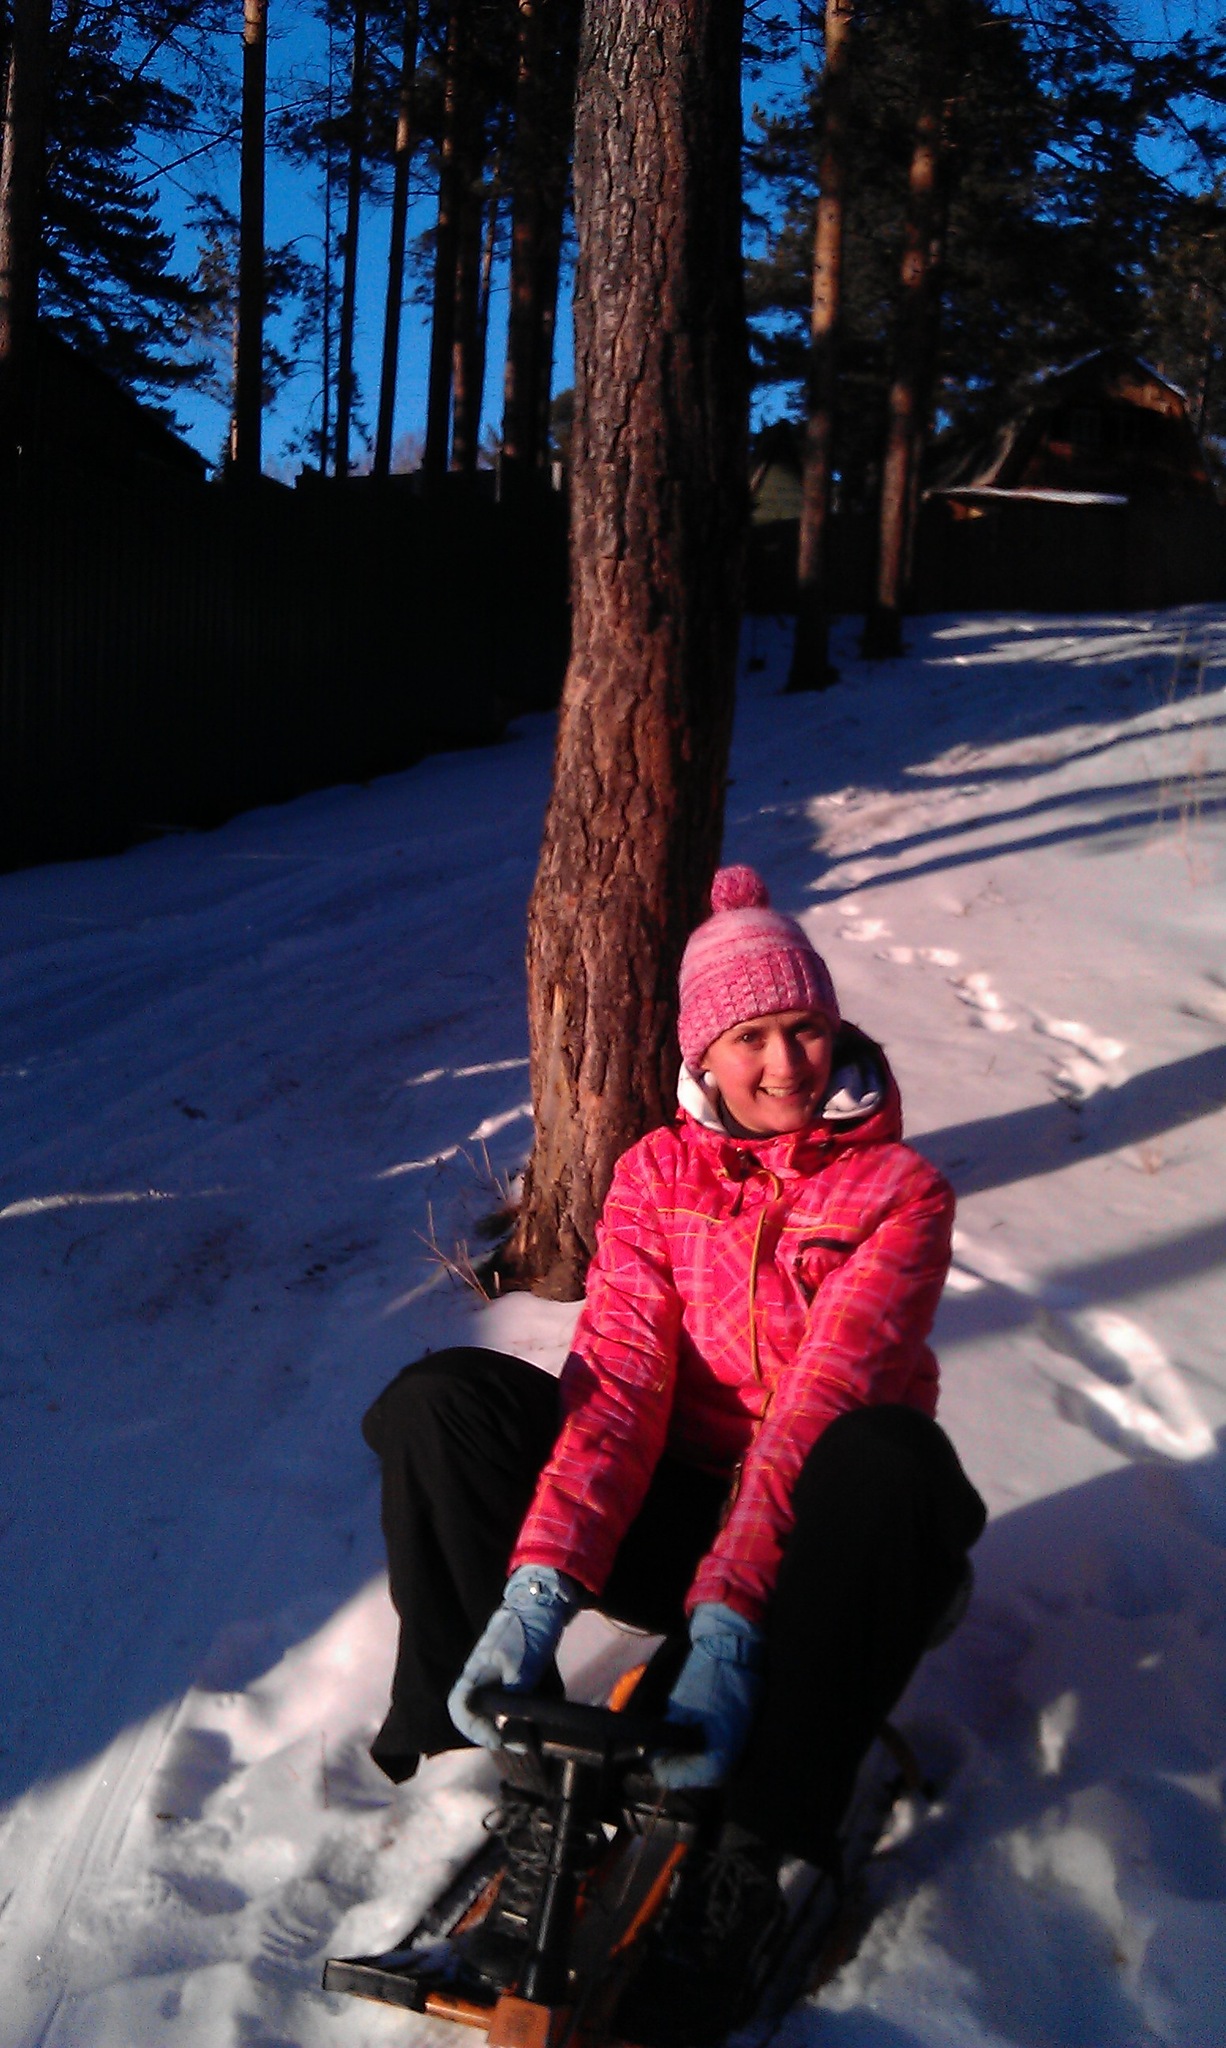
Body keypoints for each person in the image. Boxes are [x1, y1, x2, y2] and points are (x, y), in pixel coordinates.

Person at [361, 865, 985, 2045]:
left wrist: (731, 1622)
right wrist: (541, 1589)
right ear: (704, 1054)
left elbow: (815, 1406)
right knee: (444, 1402)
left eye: (804, 1027)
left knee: (886, 1454)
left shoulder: (898, 1192)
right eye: (749, 1036)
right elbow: (618, 1391)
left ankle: (746, 1852)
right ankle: (526, 1782)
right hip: (674, 1518)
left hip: (824, 1552)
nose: (785, 1063)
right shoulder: (654, 1174)